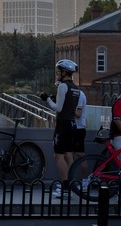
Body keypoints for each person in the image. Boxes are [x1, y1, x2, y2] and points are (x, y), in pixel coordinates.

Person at [41, 59, 81, 199]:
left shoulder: (63, 86)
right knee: (68, 156)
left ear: (64, 72)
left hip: (62, 125)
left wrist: (47, 99)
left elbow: (58, 108)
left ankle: (65, 188)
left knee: (58, 157)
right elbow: (69, 106)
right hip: (72, 124)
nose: (57, 74)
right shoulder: (75, 88)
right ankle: (72, 186)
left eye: (58, 72)